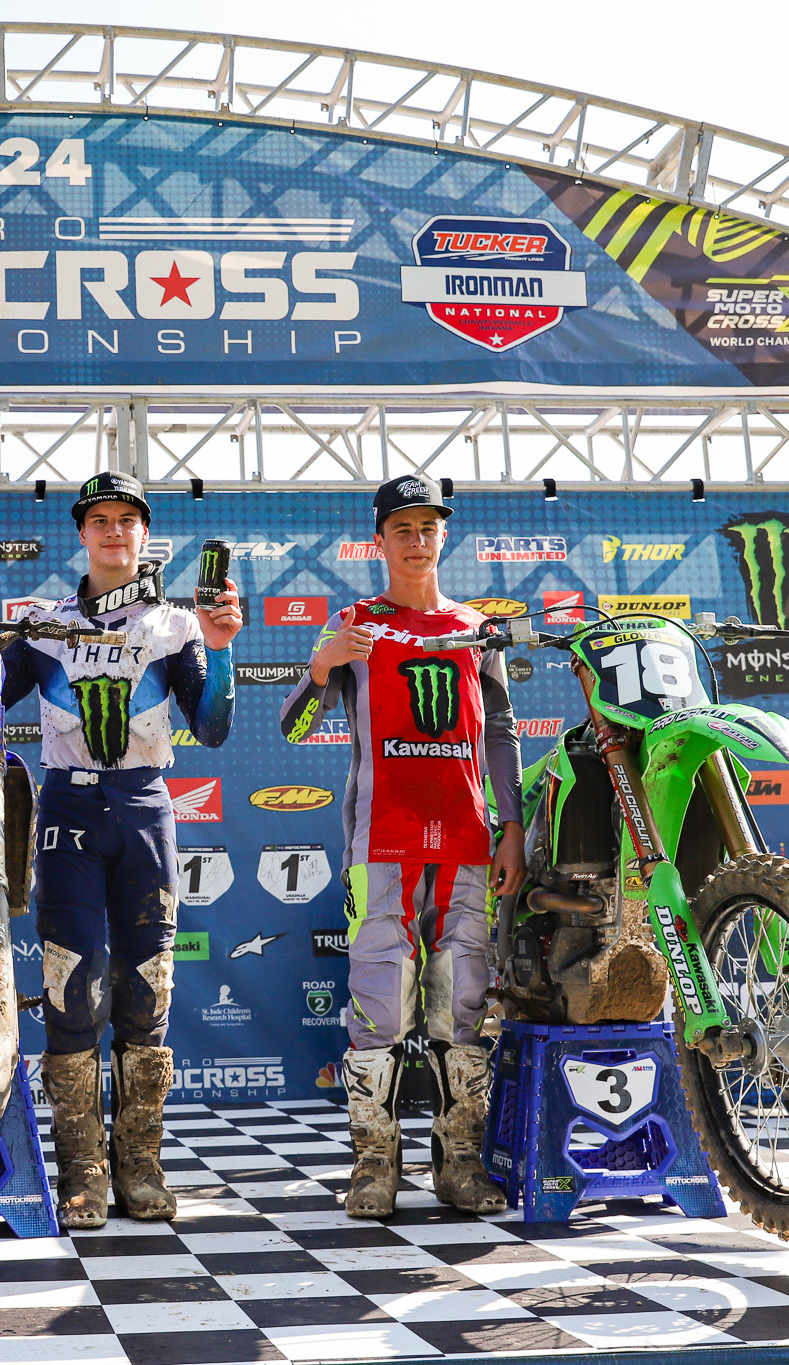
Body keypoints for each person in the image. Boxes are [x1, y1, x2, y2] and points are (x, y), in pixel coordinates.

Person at [0, 472, 241, 1228]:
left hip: (144, 809)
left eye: (126, 519)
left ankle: (140, 1165)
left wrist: (222, 649)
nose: (112, 531)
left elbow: (212, 729)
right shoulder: (43, 624)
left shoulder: (175, 625)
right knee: (71, 994)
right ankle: (82, 1170)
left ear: (144, 534)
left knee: (148, 992)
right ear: (81, 533)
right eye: (99, 519)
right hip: (67, 810)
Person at [278, 475, 525, 1217]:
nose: (417, 541)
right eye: (402, 529)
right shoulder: (353, 622)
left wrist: (513, 825)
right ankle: (374, 1165)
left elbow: (503, 733)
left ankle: (459, 1163)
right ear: (379, 541)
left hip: (466, 841)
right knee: (380, 1006)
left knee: (462, 1004)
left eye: (428, 527)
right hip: (379, 843)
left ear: (444, 535)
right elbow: (293, 727)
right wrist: (321, 666)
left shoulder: (476, 627)